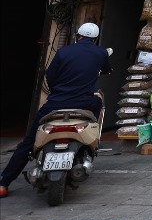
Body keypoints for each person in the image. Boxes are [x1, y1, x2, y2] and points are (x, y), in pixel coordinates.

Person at [0, 23, 111, 198]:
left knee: (28, 142)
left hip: (55, 103)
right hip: (84, 102)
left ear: (77, 36)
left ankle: (4, 182)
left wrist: (58, 91)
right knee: (98, 103)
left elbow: (50, 76)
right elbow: (106, 70)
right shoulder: (101, 53)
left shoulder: (63, 52)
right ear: (96, 39)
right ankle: (94, 140)